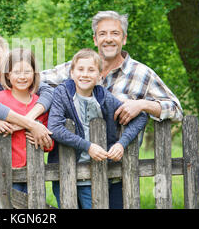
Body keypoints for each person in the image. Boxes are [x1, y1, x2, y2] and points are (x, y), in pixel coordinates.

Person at [41, 11, 183, 143]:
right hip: (73, 162)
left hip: (121, 163)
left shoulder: (141, 74)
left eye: (115, 33)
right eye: (102, 34)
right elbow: (31, 81)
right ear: (95, 40)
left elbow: (176, 110)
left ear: (124, 38)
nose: (108, 39)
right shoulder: (76, 68)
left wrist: (142, 105)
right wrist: (31, 121)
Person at [48, 48, 147, 209]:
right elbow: (55, 127)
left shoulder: (103, 96)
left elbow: (141, 117)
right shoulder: (63, 93)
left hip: (94, 175)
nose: (85, 74)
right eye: (80, 69)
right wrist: (88, 146)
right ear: (72, 73)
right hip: (64, 172)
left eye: (91, 70)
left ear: (100, 76)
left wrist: (121, 143)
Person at [0, 29, 54, 166]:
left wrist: (28, 121)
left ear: (4, 50)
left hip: (28, 160)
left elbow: (48, 91)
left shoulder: (21, 77)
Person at [0, 48, 54, 193]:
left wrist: (44, 140)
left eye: (27, 71)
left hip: (35, 172)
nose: (22, 77)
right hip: (4, 171)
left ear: (34, 73)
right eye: (17, 72)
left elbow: (48, 145)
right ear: (8, 74)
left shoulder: (39, 105)